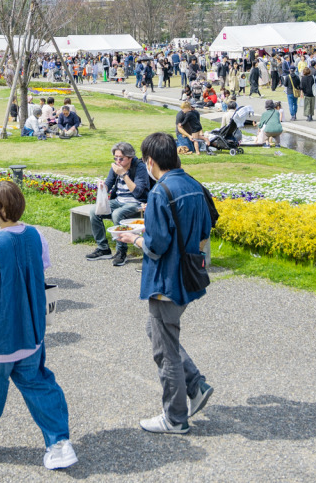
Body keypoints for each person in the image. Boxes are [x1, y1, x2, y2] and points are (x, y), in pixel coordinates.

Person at [0, 181, 77, 469]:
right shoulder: (35, 235)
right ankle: (59, 443)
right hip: (29, 328)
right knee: (39, 385)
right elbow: (39, 267)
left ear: (2, 208)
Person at [113, 132, 215, 435]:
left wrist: (133, 237)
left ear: (150, 161)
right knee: (155, 331)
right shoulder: (193, 184)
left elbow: (155, 246)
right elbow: (209, 222)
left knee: (164, 350)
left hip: (167, 279)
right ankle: (195, 385)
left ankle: (175, 418)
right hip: (190, 273)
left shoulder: (161, 192)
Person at [86, 141, 151, 266]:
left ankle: (121, 251)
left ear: (130, 158)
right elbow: (108, 185)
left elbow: (137, 192)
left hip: (136, 202)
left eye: (121, 158)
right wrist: (102, 187)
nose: (118, 161)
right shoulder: (115, 167)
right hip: (118, 200)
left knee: (117, 214)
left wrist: (124, 175)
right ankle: (103, 248)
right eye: (115, 158)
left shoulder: (140, 167)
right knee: (94, 211)